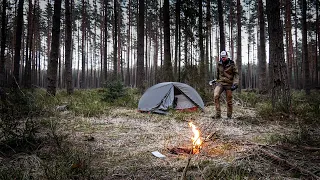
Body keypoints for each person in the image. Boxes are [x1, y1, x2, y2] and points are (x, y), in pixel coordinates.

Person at [213, 50, 239, 119]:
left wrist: (235, 83)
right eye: (222, 57)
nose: (223, 58)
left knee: (229, 101)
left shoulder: (232, 64)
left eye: (224, 57)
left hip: (229, 84)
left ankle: (229, 116)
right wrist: (216, 80)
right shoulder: (219, 64)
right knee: (216, 95)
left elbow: (236, 74)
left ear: (227, 56)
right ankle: (218, 114)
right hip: (220, 83)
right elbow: (218, 74)